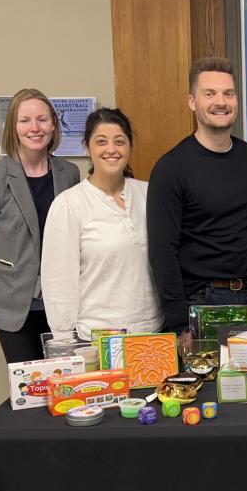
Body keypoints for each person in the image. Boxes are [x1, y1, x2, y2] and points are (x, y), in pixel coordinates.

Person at [147, 56, 247, 347]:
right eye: (210, 94)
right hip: (200, 304)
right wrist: (180, 322)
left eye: (228, 93)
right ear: (192, 101)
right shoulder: (172, 168)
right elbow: (162, 253)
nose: (220, 102)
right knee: (210, 391)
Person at [0, 88, 81, 363]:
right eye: (25, 120)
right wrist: (19, 258)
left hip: (64, 303)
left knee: (67, 383)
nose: (35, 128)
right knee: (28, 390)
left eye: (42, 119)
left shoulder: (70, 173)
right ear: (13, 127)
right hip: (15, 303)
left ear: (54, 124)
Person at [41, 108, 162, 341]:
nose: (111, 150)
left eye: (119, 141)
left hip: (153, 332)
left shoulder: (150, 194)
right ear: (87, 147)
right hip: (96, 339)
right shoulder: (69, 205)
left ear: (129, 146)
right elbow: (58, 280)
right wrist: (64, 339)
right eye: (101, 142)